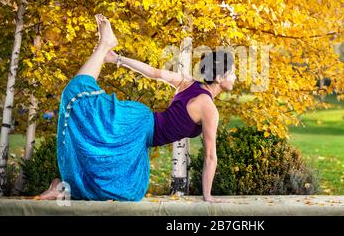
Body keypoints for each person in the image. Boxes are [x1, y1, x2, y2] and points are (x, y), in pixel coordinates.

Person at [37, 14, 236, 202]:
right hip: (139, 127)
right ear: (219, 78)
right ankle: (104, 44)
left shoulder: (187, 83)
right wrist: (207, 196)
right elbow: (210, 155)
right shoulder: (208, 108)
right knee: (78, 98)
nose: (235, 77)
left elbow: (154, 72)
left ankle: (60, 186)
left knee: (118, 182)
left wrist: (118, 59)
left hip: (139, 129)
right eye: (232, 73)